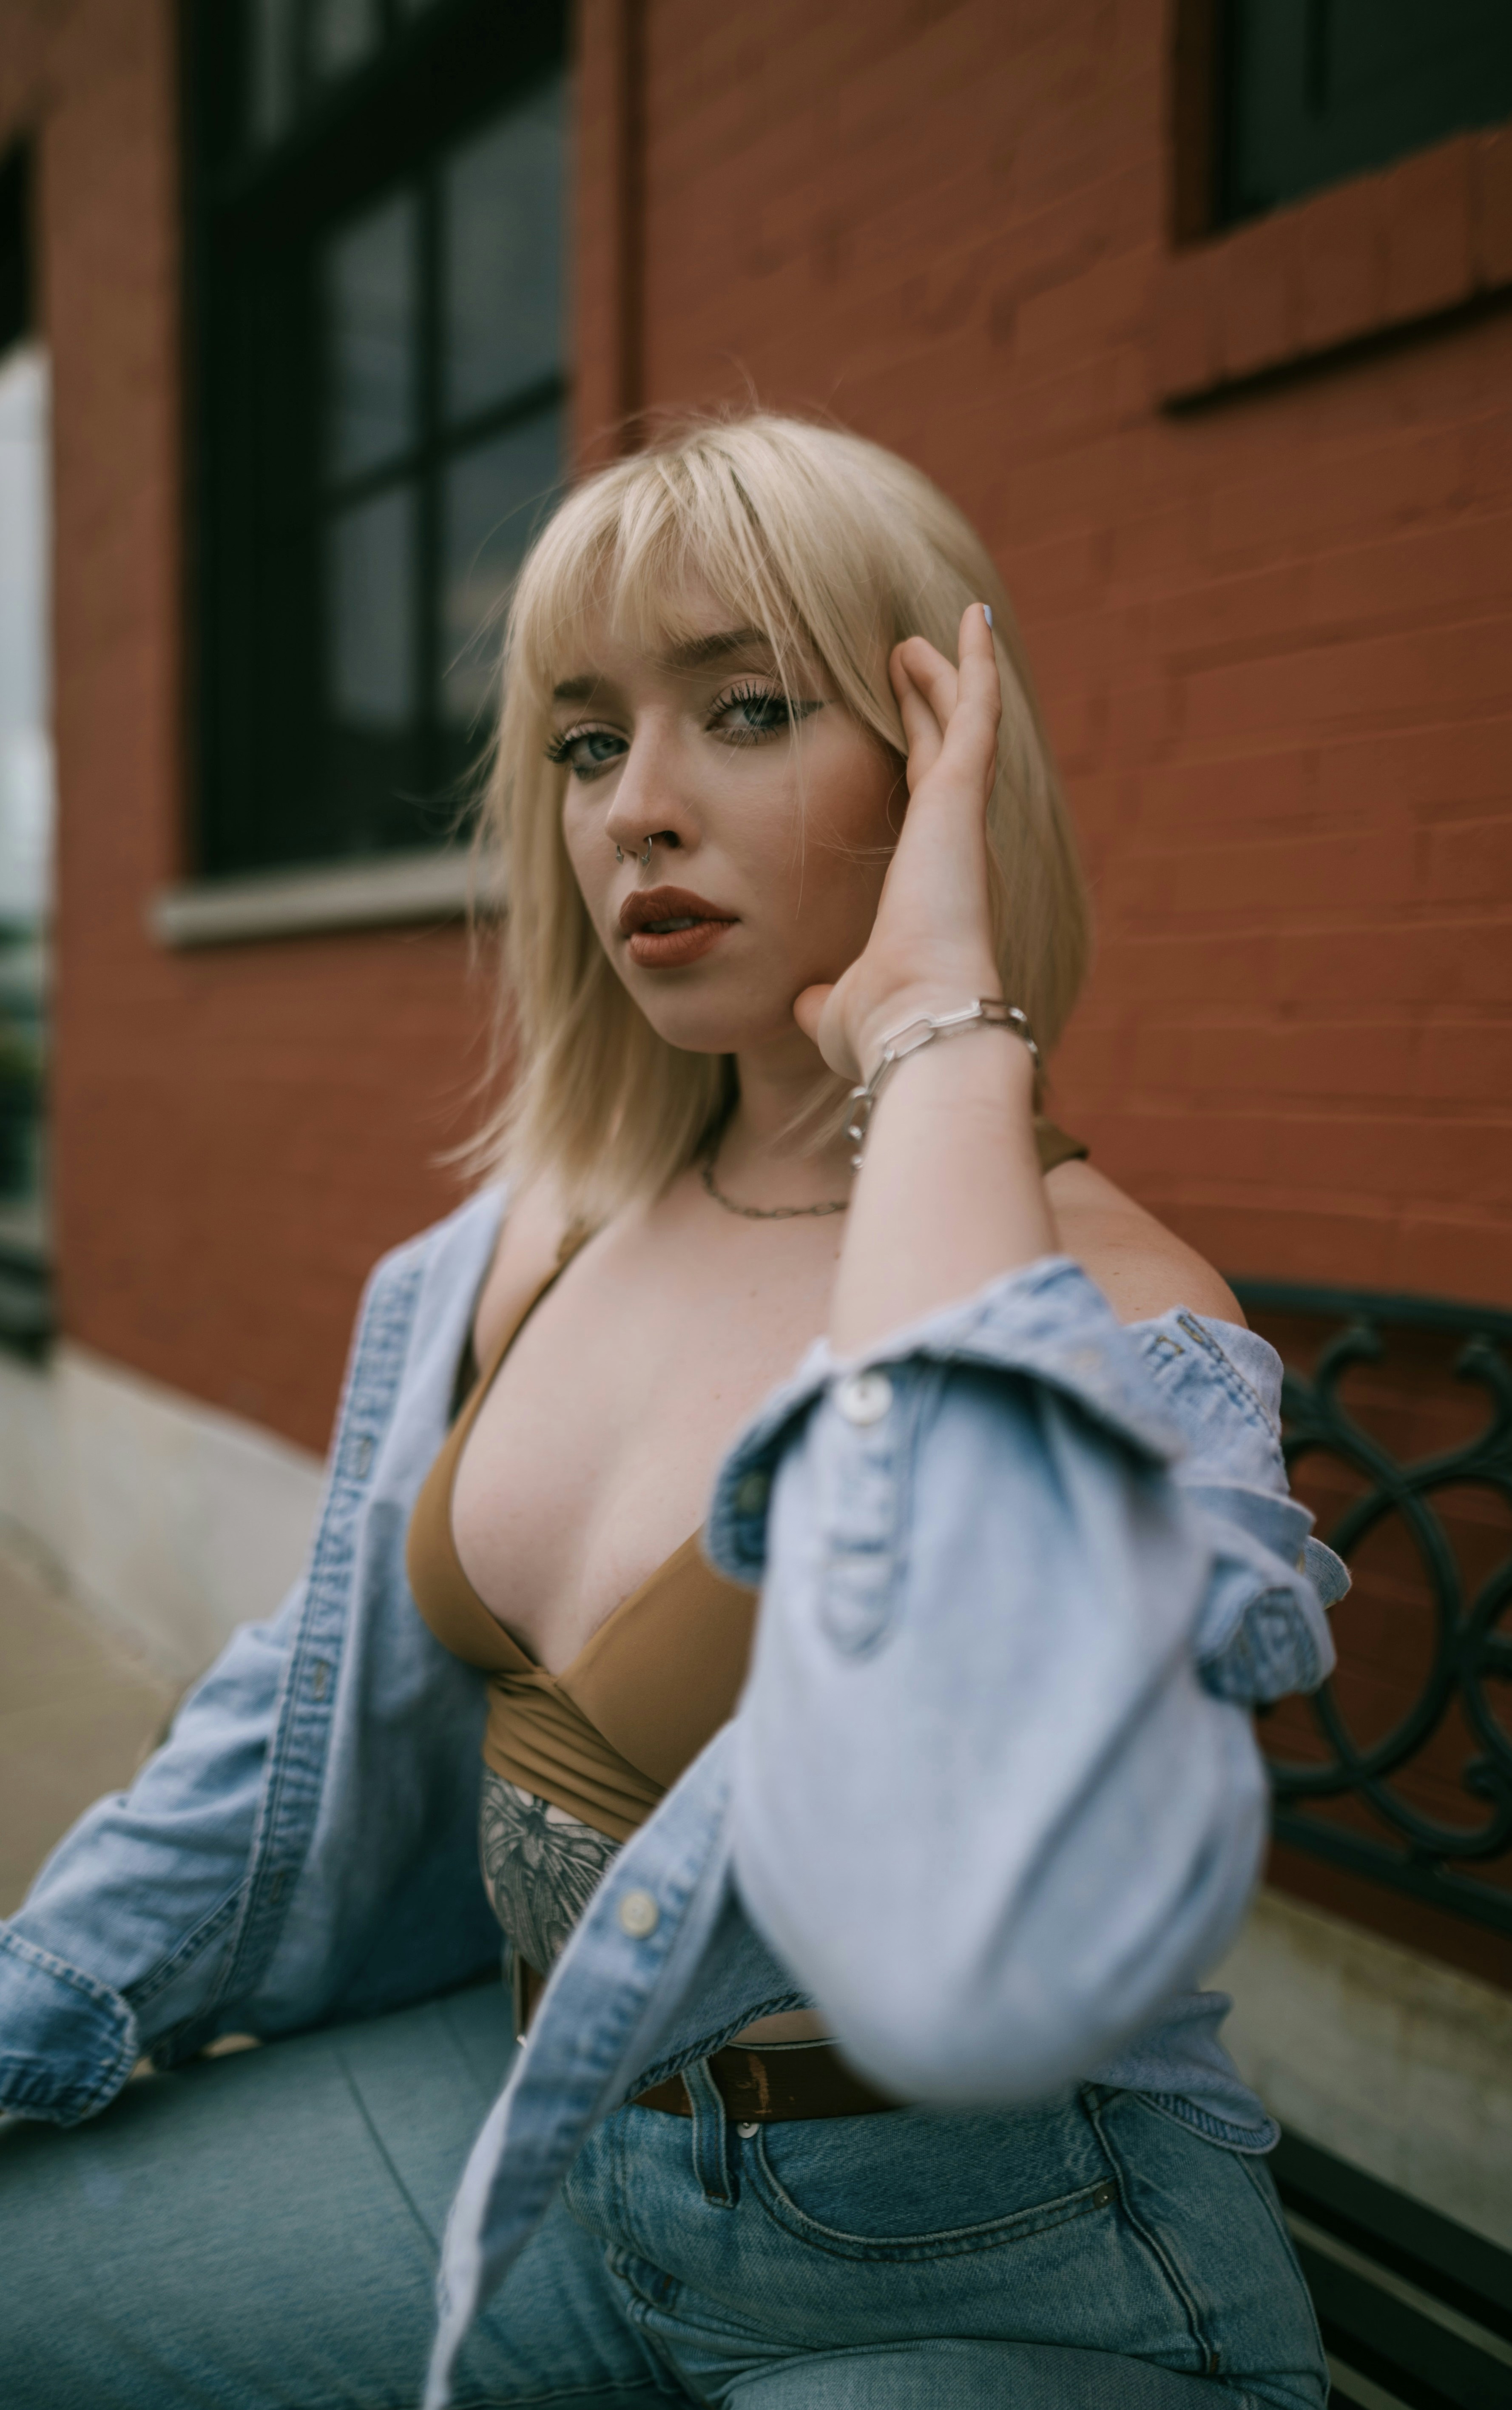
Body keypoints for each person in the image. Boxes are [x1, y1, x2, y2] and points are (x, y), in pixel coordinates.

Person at [0, 414, 1343, 2410]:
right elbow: (296, 1711)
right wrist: (36, 2005)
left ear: (936, 764)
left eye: (743, 706)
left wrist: (934, 1036)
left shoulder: (1123, 1322)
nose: (639, 805)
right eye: (587, 741)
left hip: (976, 2260)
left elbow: (963, 1889)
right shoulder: (538, 1234)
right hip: (553, 2115)